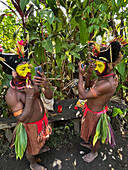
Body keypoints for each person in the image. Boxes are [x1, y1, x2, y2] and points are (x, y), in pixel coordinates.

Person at [0, 40, 53, 170]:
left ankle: (39, 147)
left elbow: (49, 96)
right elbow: (22, 118)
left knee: (40, 141)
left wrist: (45, 85)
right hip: (31, 127)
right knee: (31, 148)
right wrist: (29, 96)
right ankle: (33, 164)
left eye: (28, 67)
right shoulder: (12, 95)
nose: (28, 71)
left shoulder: (30, 81)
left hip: (42, 121)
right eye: (22, 69)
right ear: (13, 73)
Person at [78, 37, 127, 163]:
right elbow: (89, 86)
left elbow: (83, 95)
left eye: (99, 65)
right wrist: (88, 73)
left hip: (96, 115)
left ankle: (94, 152)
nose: (96, 68)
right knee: (90, 133)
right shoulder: (104, 76)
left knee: (95, 135)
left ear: (109, 65)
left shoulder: (107, 83)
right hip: (90, 111)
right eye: (96, 65)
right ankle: (91, 145)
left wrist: (80, 74)